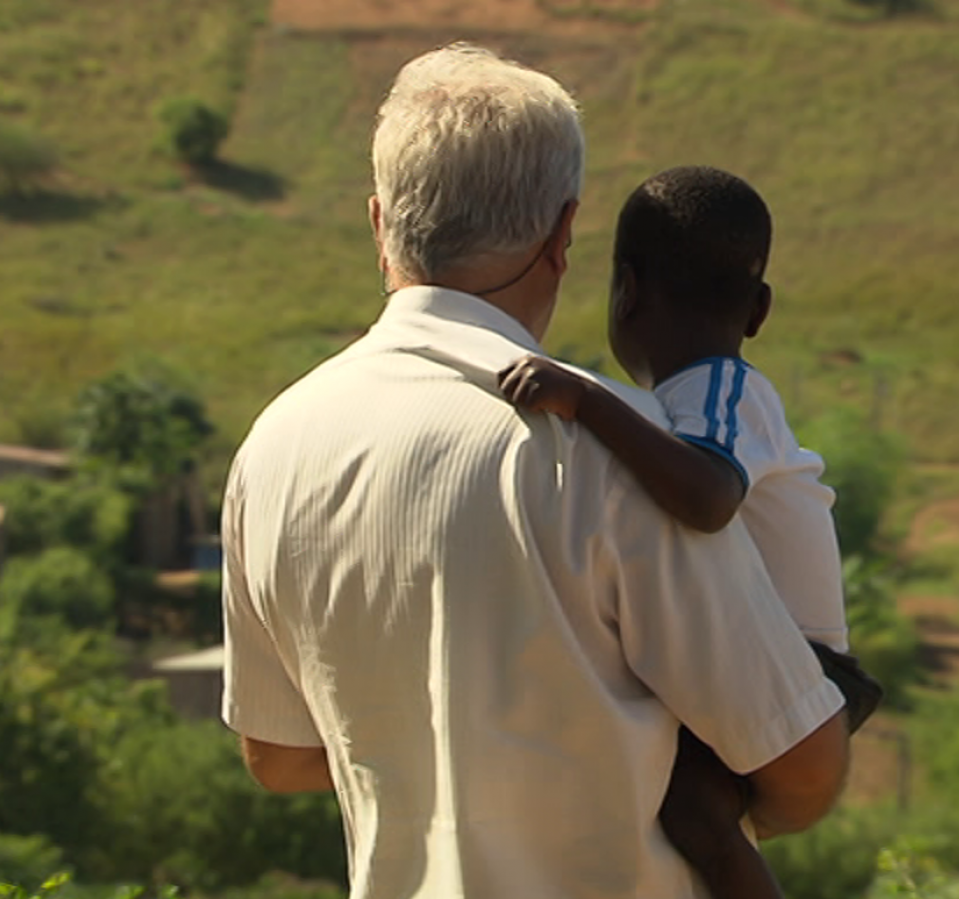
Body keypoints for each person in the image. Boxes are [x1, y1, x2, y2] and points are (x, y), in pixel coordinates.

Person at [221, 44, 850, 899]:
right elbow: (803, 764)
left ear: (379, 222)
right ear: (562, 235)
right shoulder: (607, 445)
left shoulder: (274, 447)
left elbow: (280, 756)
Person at [497, 165, 880, 899]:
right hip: (764, 658)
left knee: (691, 811)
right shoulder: (687, 401)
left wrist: (584, 400)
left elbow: (707, 497)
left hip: (806, 671)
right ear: (759, 308)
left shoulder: (725, 389)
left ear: (626, 291)